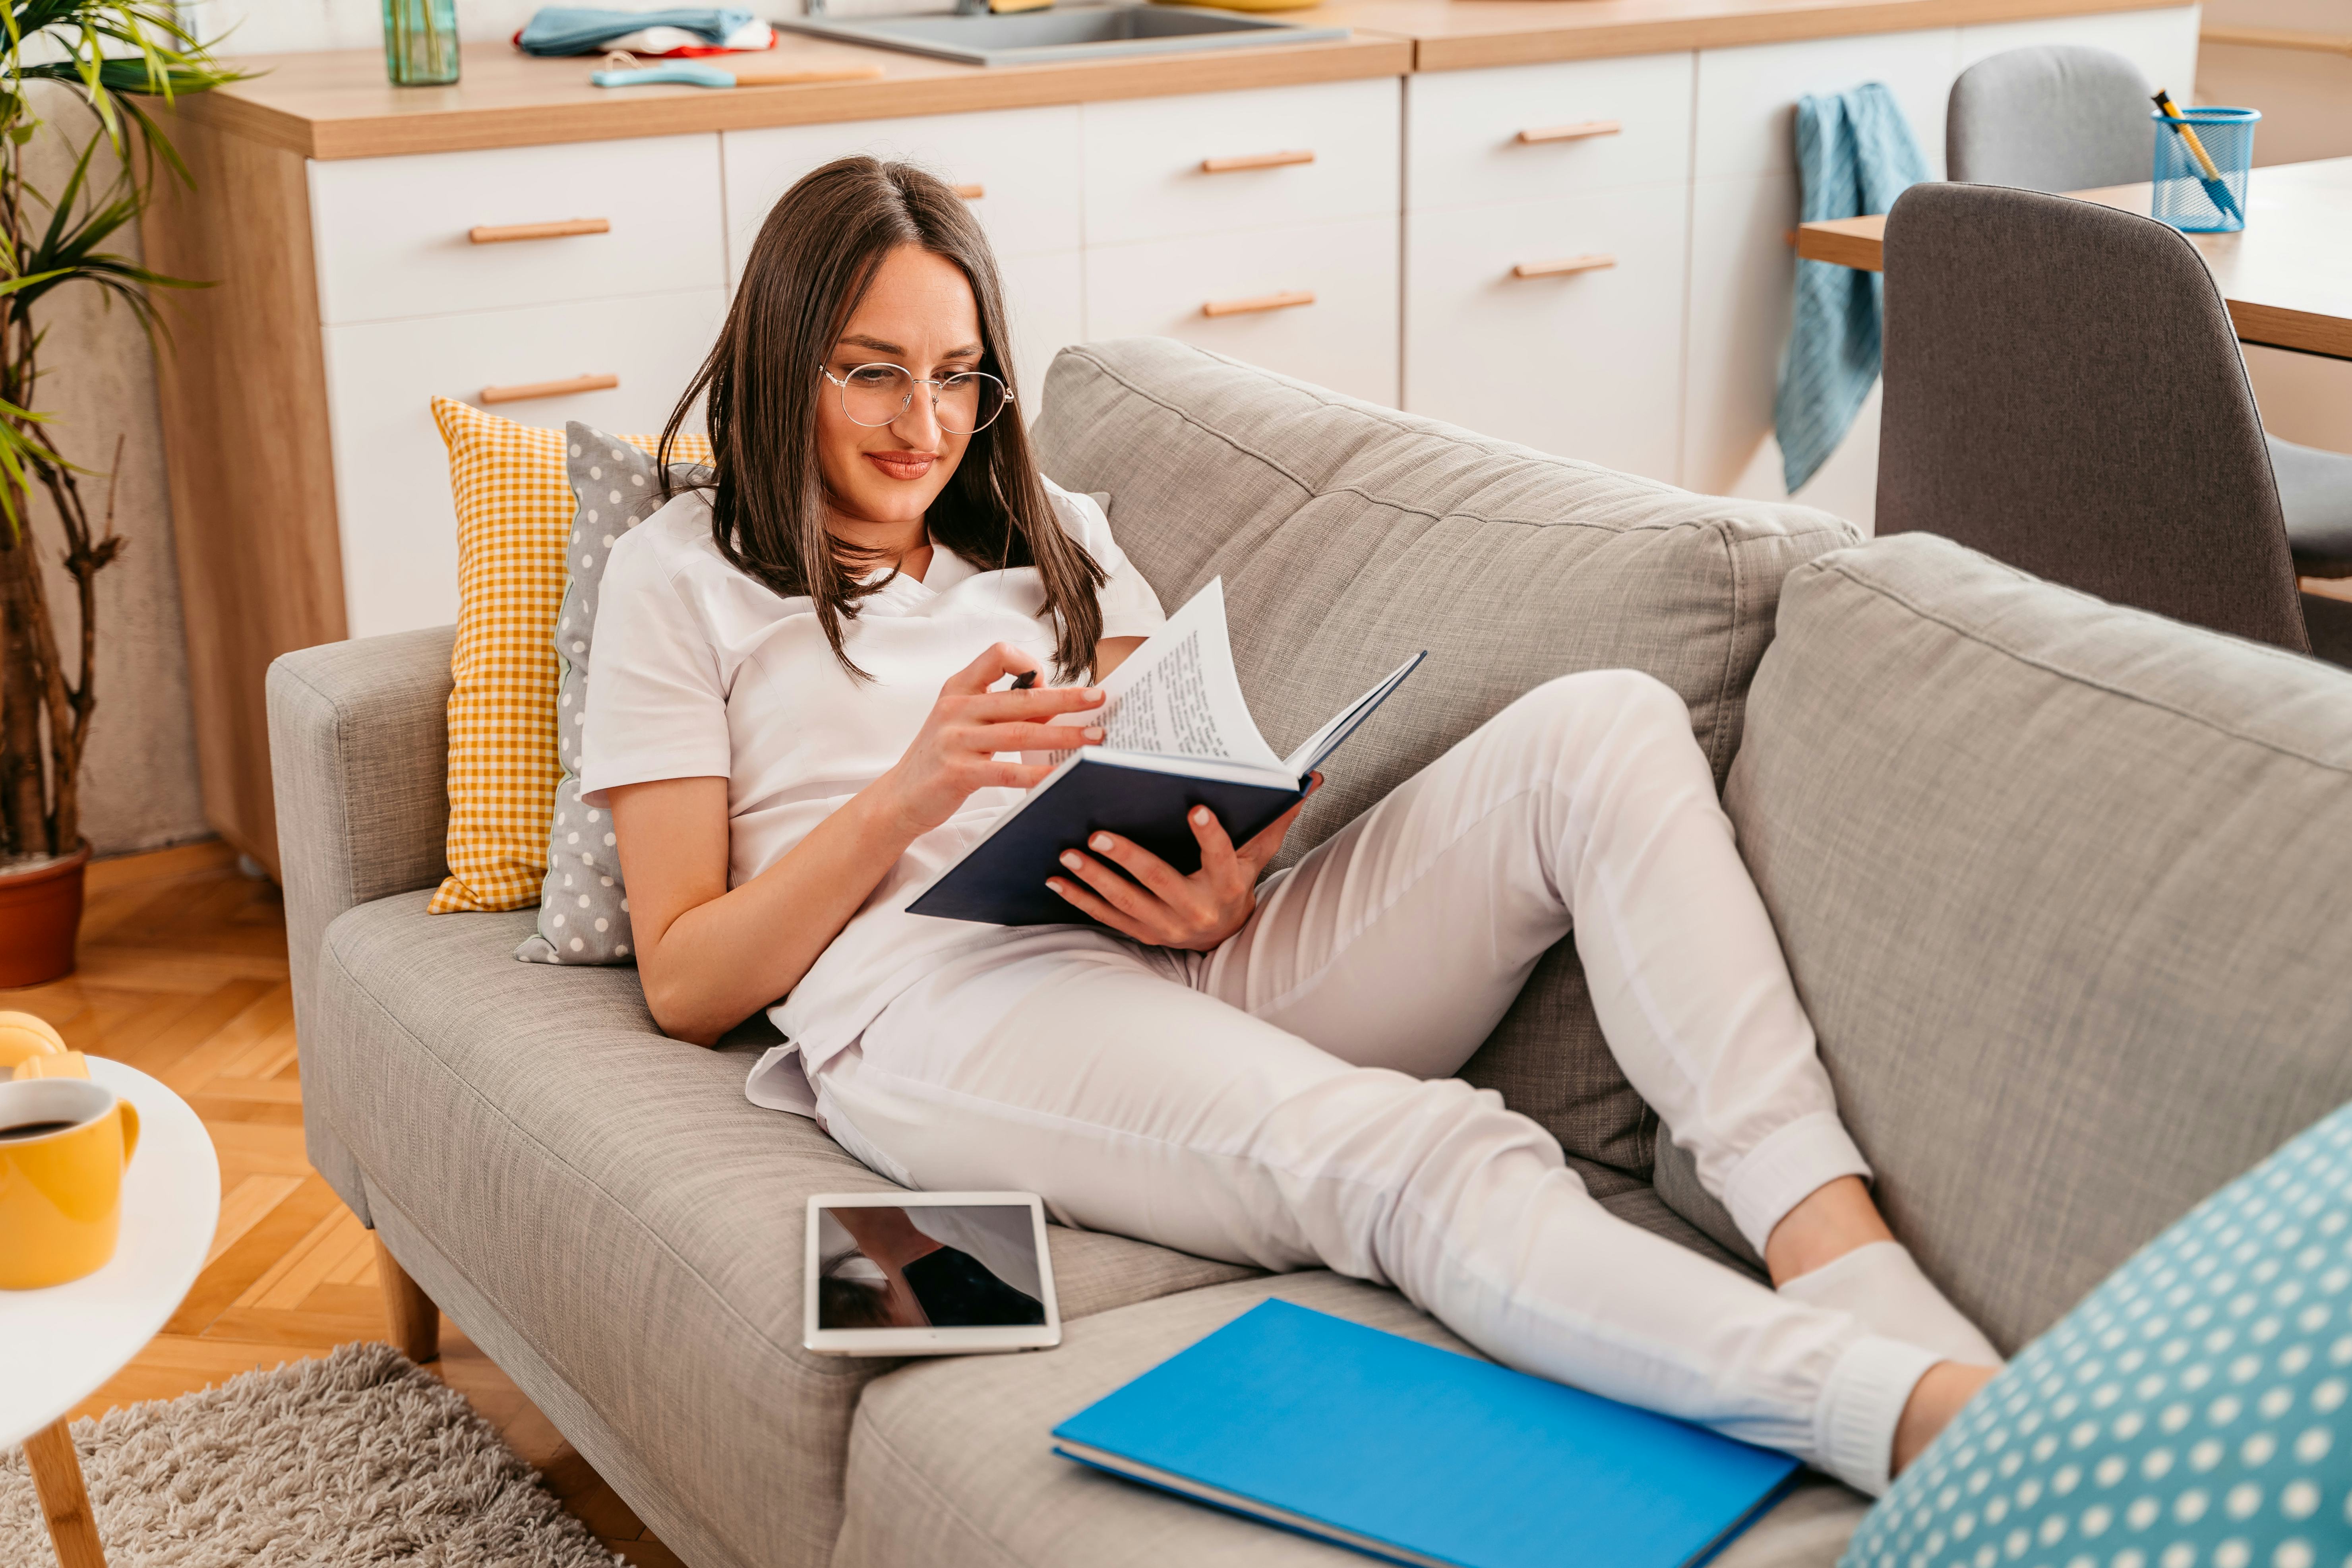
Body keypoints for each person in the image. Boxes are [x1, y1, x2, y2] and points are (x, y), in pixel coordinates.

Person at [581, 155, 2001, 1498]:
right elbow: (689, 980)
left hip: (1163, 955)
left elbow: (1147, 760)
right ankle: (1902, 1415)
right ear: (785, 363)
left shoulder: (1050, 532)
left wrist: (1217, 889)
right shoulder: (684, 579)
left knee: (1605, 727)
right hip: (930, 1000)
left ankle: (1842, 1257)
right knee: (1423, 1151)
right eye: (873, 375)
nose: (926, 426)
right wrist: (912, 789)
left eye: (957, 377)